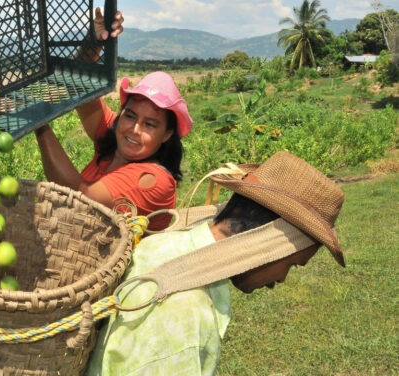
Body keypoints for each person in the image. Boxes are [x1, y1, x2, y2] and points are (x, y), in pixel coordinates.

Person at [85, 151, 346, 375]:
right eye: (291, 264)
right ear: (269, 243)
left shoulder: (164, 243)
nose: (281, 280)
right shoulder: (185, 313)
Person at [35, 9, 193, 231]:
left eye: (150, 124)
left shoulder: (153, 180)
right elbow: (77, 82)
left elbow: (80, 196)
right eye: (130, 115)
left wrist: (40, 124)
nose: (134, 129)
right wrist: (95, 41)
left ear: (167, 134)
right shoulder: (115, 137)